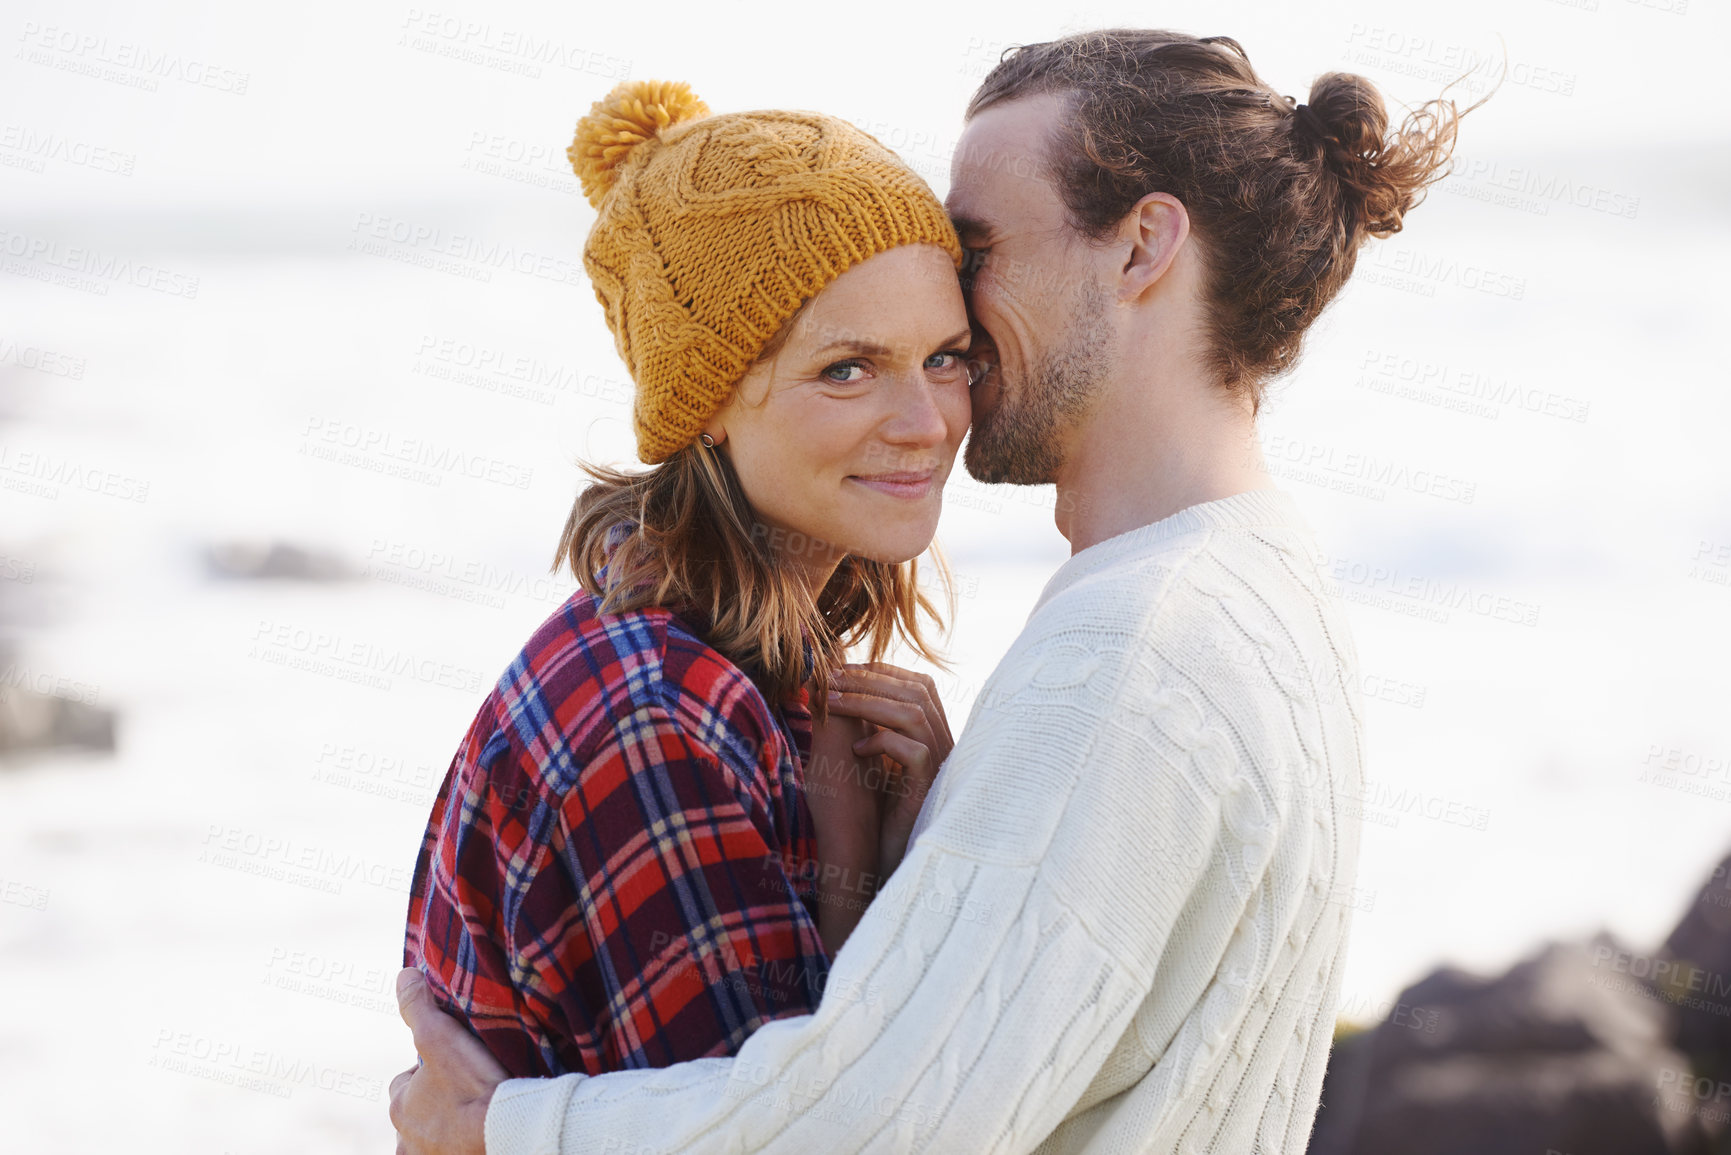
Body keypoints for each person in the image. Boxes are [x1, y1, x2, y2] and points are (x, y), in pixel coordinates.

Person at [391, 29, 1486, 1154]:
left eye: (975, 253)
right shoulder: (1260, 584)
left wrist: (503, 1130)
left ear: (1143, 246)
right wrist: (920, 850)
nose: (937, 380)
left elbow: (871, 1118)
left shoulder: (1134, 656)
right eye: (849, 364)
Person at [402, 78, 983, 1081]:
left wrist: (891, 855)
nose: (927, 421)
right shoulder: (658, 715)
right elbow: (777, 1135)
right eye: (847, 368)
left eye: (946, 356)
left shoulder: (758, 667)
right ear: (706, 402)